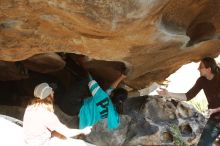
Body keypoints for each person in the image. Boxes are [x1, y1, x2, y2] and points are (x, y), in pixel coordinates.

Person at [157, 57, 220, 146]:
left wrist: (214, 110)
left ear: (208, 69)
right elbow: (187, 96)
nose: (198, 69)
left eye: (201, 66)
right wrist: (168, 94)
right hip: (214, 119)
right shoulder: (202, 80)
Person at [23, 82, 95, 146]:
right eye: (51, 91)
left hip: (30, 141)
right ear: (48, 96)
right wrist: (83, 130)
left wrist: (56, 134)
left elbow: (38, 128)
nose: (53, 92)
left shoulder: (30, 108)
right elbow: (67, 132)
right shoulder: (46, 114)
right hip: (40, 144)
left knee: (61, 136)